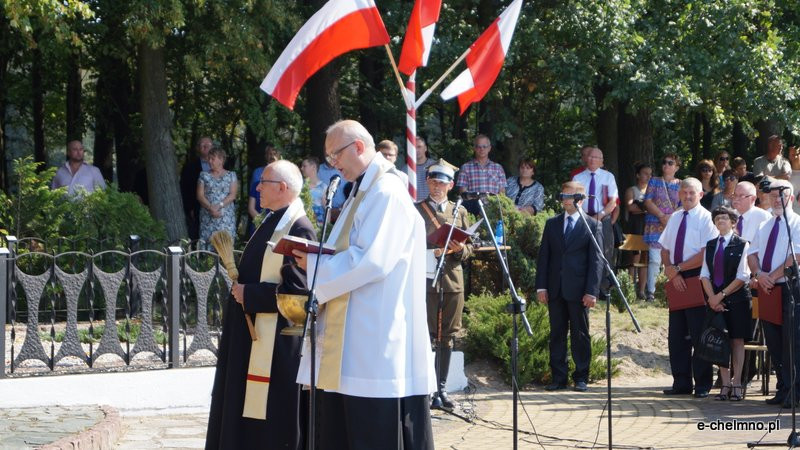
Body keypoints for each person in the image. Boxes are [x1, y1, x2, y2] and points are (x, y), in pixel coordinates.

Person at [292, 120, 435, 449]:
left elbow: (372, 260)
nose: (333, 164)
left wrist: (315, 266)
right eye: (329, 158)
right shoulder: (363, 191)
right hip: (357, 339)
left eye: (335, 155)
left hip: (374, 341)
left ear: (358, 147)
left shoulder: (386, 192)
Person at [205, 160, 315, 450]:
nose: (257, 188)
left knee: (270, 420)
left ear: (282, 187)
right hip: (250, 335)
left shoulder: (298, 229)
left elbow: (298, 295)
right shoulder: (271, 220)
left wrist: (250, 295)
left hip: (276, 344)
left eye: (263, 183)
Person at [415, 159, 472, 409]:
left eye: (442, 183)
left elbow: (470, 248)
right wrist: (431, 251)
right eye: (433, 182)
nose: (437, 187)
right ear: (427, 182)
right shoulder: (416, 210)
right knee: (424, 335)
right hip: (425, 279)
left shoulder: (460, 211)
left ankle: (442, 389)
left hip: (452, 281)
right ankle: (424, 389)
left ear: (451, 185)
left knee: (447, 337)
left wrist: (460, 250)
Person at [536, 181, 603, 392]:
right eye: (563, 195)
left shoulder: (593, 225)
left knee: (580, 334)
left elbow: (596, 262)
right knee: (557, 333)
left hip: (579, 290)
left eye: (569, 196)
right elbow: (544, 257)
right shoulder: (552, 224)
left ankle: (581, 377)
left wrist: (591, 291)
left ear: (580, 200)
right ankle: (558, 378)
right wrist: (541, 287)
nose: (564, 200)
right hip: (555, 289)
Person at [659, 177, 719, 398]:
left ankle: (702, 383)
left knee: (698, 333)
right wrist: (671, 270)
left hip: (697, 277)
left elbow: (706, 253)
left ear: (700, 194)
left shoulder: (706, 219)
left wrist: (678, 268)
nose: (687, 196)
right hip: (676, 277)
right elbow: (664, 248)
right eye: (684, 192)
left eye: (692, 192)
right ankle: (681, 382)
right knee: (677, 335)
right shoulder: (675, 217)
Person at [747, 179, 800, 408]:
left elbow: (796, 257)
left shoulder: (796, 223)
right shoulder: (765, 225)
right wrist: (759, 275)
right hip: (767, 288)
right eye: (773, 195)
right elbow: (752, 254)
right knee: (774, 341)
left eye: (781, 195)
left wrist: (772, 276)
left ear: (790, 197)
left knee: (791, 341)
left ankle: (794, 390)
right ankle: (783, 387)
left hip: (788, 288)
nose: (776, 200)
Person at [700, 206, 752, 402]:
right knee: (720, 340)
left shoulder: (743, 244)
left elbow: (743, 276)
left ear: (733, 222)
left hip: (738, 300)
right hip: (715, 300)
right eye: (717, 219)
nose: (720, 221)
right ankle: (725, 384)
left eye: (724, 218)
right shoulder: (710, 245)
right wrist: (712, 298)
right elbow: (704, 275)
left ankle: (736, 382)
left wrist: (720, 295)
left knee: (737, 340)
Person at [572, 147, 618, 292]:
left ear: (601, 161)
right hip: (583, 218)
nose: (592, 159)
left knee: (605, 252)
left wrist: (599, 216)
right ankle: (582, 286)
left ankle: (603, 288)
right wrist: (585, 217)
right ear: (586, 159)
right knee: (581, 251)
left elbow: (613, 202)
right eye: (590, 157)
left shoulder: (608, 177)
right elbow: (573, 201)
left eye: (596, 157)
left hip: (603, 218)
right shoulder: (578, 178)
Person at [643, 154, 682, 301]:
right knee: (654, 259)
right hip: (655, 224)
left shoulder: (681, 184)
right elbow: (647, 201)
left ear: (677, 167)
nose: (666, 165)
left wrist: (670, 218)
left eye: (670, 163)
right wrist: (661, 216)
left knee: (672, 259)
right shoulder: (654, 181)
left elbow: (684, 204)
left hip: (673, 225)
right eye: (664, 162)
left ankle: (667, 291)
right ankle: (651, 292)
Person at [197, 147, 238, 247]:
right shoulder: (203, 175)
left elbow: (232, 195)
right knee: (208, 245)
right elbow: (200, 195)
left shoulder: (231, 175)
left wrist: (219, 205)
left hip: (225, 217)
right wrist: (211, 207)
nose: (209, 161)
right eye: (209, 158)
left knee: (225, 246)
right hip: (208, 216)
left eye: (212, 158)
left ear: (221, 160)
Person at [457, 134, 506, 215]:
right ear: (474, 148)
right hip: (472, 210)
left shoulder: (498, 168)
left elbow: (502, 194)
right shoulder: (465, 168)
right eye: (478, 146)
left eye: (484, 146)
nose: (481, 149)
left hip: (493, 210)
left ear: (489, 148)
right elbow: (463, 193)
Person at [623, 162, 652, 299]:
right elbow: (631, 208)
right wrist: (648, 208)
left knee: (645, 259)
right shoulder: (631, 190)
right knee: (634, 257)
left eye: (650, 174)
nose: (648, 176)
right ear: (638, 175)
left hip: (649, 227)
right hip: (635, 226)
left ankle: (641, 291)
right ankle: (629, 289)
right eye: (645, 173)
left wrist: (642, 207)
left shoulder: (652, 191)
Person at [180, 136, 213, 239]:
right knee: (199, 237)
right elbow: (185, 189)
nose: (205, 147)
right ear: (198, 148)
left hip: (219, 208)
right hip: (197, 208)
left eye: (208, 145)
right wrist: (189, 208)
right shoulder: (189, 167)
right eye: (202, 145)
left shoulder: (223, 166)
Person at [247, 145, 281, 234]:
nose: (272, 156)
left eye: (274, 153)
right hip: (258, 222)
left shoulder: (284, 177)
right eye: (269, 153)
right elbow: (251, 207)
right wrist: (262, 222)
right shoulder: (257, 175)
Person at [300, 157, 328, 227]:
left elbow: (327, 209)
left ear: (313, 167)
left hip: (318, 225)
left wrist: (327, 227)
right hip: (301, 223)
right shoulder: (299, 185)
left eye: (304, 166)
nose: (301, 168)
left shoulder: (323, 187)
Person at [413, 136, 437, 201]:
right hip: (413, 205)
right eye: (414, 147)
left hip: (432, 204)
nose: (416, 150)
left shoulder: (435, 166)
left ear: (425, 148)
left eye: (419, 147)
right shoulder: (406, 170)